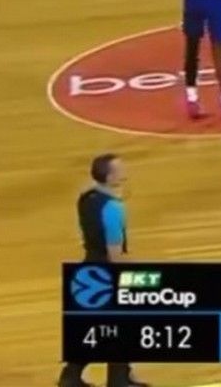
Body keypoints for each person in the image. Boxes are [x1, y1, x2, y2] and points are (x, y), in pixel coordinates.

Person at [58, 154, 134, 387]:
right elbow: (114, 252)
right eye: (119, 169)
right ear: (110, 177)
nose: (125, 172)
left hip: (88, 267)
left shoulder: (86, 197)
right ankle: (118, 380)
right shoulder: (114, 208)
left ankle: (71, 376)